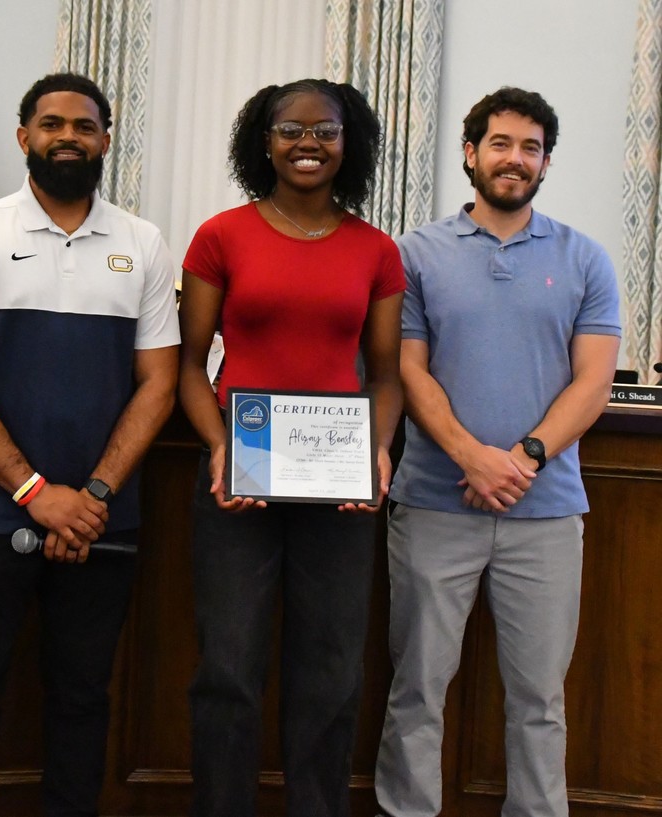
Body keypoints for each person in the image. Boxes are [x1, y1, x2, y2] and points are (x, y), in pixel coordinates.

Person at [0, 72, 180, 817]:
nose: (67, 135)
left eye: (83, 125)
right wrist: (38, 494)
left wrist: (91, 495)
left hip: (104, 517)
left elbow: (158, 384)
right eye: (51, 123)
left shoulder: (143, 242)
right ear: (23, 135)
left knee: (82, 695)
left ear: (105, 139)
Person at [374, 87, 621, 817]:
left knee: (540, 697)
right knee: (417, 684)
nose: (516, 159)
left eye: (532, 147)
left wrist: (524, 458)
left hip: (544, 514)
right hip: (430, 503)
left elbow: (594, 380)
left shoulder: (585, 258)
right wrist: (471, 457)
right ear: (470, 152)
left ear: (546, 162)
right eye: (502, 143)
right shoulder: (415, 254)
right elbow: (407, 370)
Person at [179, 78, 405, 817]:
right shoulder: (220, 236)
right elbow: (189, 366)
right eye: (290, 129)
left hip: (338, 486)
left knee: (332, 672)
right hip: (234, 480)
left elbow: (384, 375)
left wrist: (375, 451)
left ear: (350, 141)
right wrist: (217, 446)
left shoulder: (376, 250)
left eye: (326, 130)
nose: (308, 143)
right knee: (229, 669)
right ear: (264, 141)